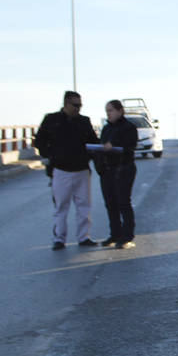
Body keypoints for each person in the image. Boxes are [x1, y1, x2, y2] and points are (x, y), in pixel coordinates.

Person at [35, 90, 98, 250]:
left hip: (81, 170)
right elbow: (39, 141)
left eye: (80, 105)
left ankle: (84, 237)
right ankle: (59, 239)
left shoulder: (84, 121)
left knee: (84, 206)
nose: (78, 108)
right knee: (61, 207)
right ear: (66, 104)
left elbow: (93, 142)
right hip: (61, 170)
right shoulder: (51, 120)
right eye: (75, 105)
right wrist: (51, 156)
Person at [96, 100, 139, 249]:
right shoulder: (106, 128)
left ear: (120, 111)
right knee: (110, 204)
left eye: (111, 110)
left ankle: (127, 236)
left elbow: (130, 146)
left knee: (123, 202)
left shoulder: (128, 127)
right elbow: (101, 145)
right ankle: (115, 234)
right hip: (107, 170)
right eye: (107, 111)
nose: (108, 114)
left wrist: (113, 146)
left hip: (123, 169)